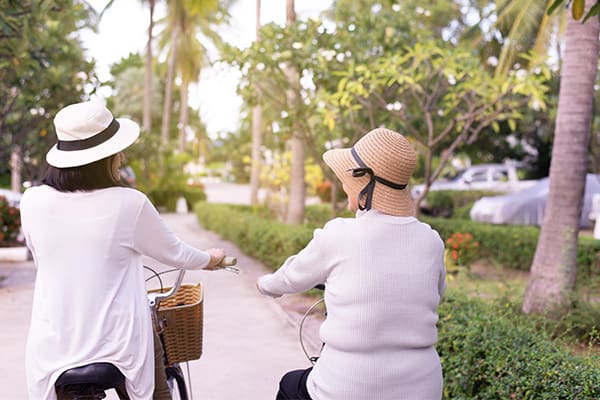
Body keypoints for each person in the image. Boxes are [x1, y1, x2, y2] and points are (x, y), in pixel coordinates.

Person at [20, 100, 226, 400]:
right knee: (155, 379)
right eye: (117, 151)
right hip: (118, 343)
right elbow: (175, 253)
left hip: (54, 344)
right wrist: (210, 259)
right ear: (103, 158)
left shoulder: (32, 200)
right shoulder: (129, 203)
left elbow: (42, 255)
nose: (122, 156)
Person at [256, 128, 447, 400]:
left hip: (346, 388)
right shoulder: (431, 240)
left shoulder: (339, 234)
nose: (342, 183)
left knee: (289, 384)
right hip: (422, 388)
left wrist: (265, 285)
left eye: (347, 178)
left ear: (363, 180)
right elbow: (438, 293)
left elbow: (289, 278)